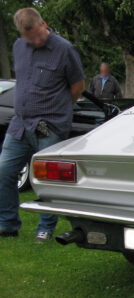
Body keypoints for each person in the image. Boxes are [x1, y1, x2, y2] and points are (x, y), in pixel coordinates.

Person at [0, 8, 85, 241]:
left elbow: (78, 86)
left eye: (39, 35)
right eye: (31, 38)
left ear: (44, 23)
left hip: (50, 125)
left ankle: (45, 228)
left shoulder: (64, 49)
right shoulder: (18, 47)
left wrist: (58, 108)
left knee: (48, 179)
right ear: (22, 35)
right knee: (4, 171)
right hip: (20, 124)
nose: (37, 41)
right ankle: (7, 224)